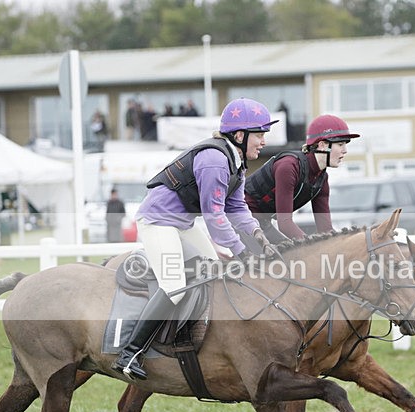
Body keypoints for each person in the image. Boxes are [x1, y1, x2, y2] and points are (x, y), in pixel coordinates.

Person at [111, 97, 280, 380]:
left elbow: (237, 208)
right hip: (158, 222)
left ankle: (190, 339)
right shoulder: (214, 160)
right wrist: (241, 251)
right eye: (260, 134)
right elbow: (214, 218)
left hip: (182, 222)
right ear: (240, 135)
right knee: (174, 285)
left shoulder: (235, 161)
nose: (263, 141)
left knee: (213, 267)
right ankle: (130, 352)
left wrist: (258, 235)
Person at [244, 114, 360, 242]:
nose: (345, 151)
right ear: (322, 145)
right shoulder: (289, 166)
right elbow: (285, 224)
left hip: (261, 222)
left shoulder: (322, 178)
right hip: (239, 218)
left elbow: (325, 229)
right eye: (340, 144)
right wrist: (312, 247)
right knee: (289, 256)